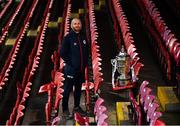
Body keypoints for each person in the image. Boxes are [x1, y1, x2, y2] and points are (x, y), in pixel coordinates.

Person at [60, 18, 89, 117]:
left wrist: (85, 63)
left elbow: (86, 50)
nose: (77, 25)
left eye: (78, 23)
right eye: (75, 24)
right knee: (67, 89)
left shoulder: (83, 36)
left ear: (81, 25)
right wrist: (71, 63)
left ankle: (77, 107)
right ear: (72, 25)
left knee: (78, 89)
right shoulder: (68, 37)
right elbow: (62, 53)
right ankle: (64, 109)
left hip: (80, 70)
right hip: (71, 70)